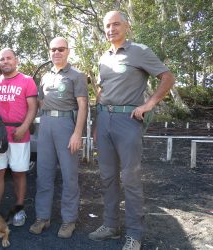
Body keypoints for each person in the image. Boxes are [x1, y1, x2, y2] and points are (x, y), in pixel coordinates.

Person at [88, 11, 175, 250]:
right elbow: (102, 91)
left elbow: (167, 77)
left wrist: (150, 104)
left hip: (128, 121)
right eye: (107, 25)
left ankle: (135, 234)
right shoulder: (104, 57)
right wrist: (97, 123)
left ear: (126, 26)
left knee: (130, 178)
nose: (111, 29)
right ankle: (110, 225)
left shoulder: (140, 51)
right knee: (107, 177)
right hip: (104, 120)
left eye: (116, 24)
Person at [29, 37, 88, 239]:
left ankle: (68, 220)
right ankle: (42, 217)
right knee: (43, 174)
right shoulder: (45, 76)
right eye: (53, 49)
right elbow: (39, 102)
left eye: (61, 49)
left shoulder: (77, 75)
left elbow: (82, 105)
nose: (56, 53)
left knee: (69, 176)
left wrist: (77, 133)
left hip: (66, 126)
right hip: (45, 125)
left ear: (68, 51)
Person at [0, 48, 38, 226]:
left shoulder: (27, 81)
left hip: (19, 133)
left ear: (16, 60)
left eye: (9, 58)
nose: (5, 61)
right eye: (2, 59)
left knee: (19, 173)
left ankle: (19, 209)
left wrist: (24, 127)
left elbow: (33, 108)